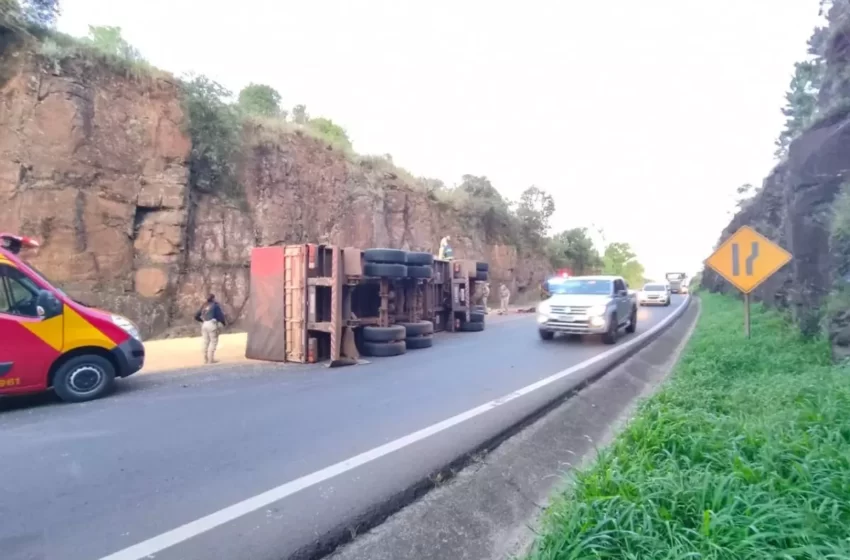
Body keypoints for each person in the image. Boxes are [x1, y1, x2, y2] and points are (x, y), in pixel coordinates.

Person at [194, 293, 227, 364]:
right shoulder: (215, 305)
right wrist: (223, 323)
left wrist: (202, 321)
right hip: (212, 324)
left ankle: (205, 359)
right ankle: (211, 359)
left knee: (205, 342)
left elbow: (196, 316)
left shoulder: (204, 305)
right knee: (213, 342)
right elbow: (220, 316)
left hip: (204, 324)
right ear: (213, 298)